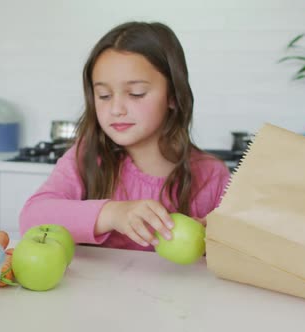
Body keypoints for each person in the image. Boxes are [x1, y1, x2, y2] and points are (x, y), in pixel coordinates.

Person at [19, 21, 231, 251]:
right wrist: (113, 213)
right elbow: (31, 218)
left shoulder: (212, 176)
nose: (116, 109)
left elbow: (242, 252)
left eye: (135, 93)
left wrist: (222, 240)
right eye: (104, 95)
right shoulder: (87, 157)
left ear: (172, 96)